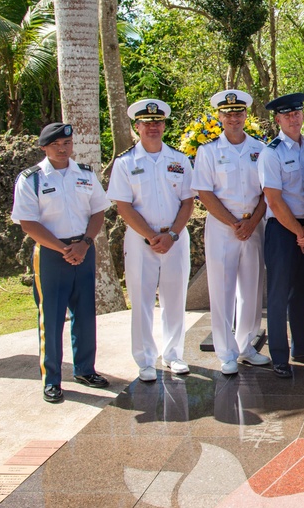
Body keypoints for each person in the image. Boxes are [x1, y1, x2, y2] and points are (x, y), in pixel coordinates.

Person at [11, 122, 111, 403]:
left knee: (85, 314)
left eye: (66, 144)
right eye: (56, 145)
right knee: (51, 318)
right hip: (52, 255)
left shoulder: (86, 174)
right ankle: (52, 379)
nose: (62, 148)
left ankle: (85, 370)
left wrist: (84, 244)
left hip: (84, 248)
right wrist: (64, 249)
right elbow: (28, 223)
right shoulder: (31, 179)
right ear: (44, 147)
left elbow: (97, 212)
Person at [108, 99, 195, 382]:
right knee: (142, 301)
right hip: (140, 242)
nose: (153, 127)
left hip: (175, 239)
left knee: (175, 299)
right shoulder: (125, 163)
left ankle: (173, 355)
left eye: (157, 122)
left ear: (164, 125)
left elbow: (187, 201)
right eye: (147, 123)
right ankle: (145, 360)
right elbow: (124, 206)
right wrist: (151, 236)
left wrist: (170, 236)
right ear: (137, 127)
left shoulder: (179, 160)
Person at [192, 90, 268, 376]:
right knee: (222, 291)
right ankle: (226, 352)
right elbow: (204, 193)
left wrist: (250, 223)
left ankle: (247, 346)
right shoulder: (209, 151)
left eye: (238, 113)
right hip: (223, 229)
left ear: (246, 116)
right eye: (228, 114)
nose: (234, 118)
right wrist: (234, 224)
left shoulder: (260, 149)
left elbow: (266, 192)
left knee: (251, 289)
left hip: (254, 226)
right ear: (220, 117)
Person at [259, 92, 304, 379]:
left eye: (297, 113)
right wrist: (299, 232)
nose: (293, 119)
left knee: (303, 291)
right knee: (278, 295)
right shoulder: (271, 153)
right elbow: (273, 200)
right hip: (284, 232)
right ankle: (280, 356)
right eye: (287, 115)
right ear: (278, 120)